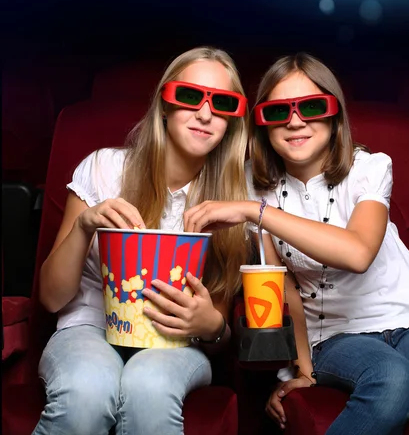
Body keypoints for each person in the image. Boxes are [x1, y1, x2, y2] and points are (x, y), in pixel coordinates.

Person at [183, 52, 409, 435]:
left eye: (310, 106)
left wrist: (255, 211)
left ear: (333, 114)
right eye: (278, 112)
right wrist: (304, 369)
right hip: (335, 333)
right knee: (392, 379)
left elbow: (357, 252)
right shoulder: (252, 185)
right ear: (261, 124)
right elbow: (282, 285)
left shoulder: (369, 168)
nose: (295, 121)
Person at [34, 46, 251, 435]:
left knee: (148, 388)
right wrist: (85, 227)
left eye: (222, 103)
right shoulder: (103, 168)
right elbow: (50, 298)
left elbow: (217, 330)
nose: (205, 113)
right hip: (89, 327)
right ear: (164, 105)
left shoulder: (235, 202)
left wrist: (212, 325)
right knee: (85, 392)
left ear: (233, 121)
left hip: (177, 345)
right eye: (188, 96)